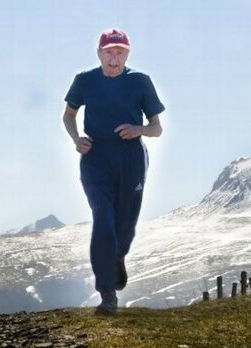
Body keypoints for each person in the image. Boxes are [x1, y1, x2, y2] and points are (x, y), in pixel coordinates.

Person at [62, 28, 165, 315]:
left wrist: (139, 129)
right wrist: (76, 139)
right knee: (103, 220)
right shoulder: (85, 81)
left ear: (127, 54)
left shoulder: (140, 82)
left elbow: (157, 128)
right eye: (109, 52)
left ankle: (118, 255)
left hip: (131, 158)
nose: (114, 58)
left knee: (124, 226)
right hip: (95, 157)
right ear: (99, 53)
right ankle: (107, 294)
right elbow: (68, 116)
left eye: (120, 52)